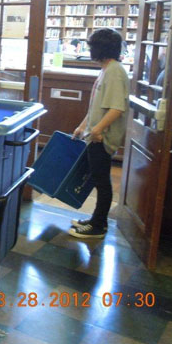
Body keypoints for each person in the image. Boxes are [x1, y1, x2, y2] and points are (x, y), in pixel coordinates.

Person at [69, 28, 129, 239]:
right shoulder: (107, 69)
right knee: (98, 177)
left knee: (101, 181)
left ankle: (98, 225)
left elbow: (116, 108)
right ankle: (96, 219)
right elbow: (97, 105)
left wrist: (96, 130)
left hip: (101, 138)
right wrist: (83, 125)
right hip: (94, 135)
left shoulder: (114, 72)